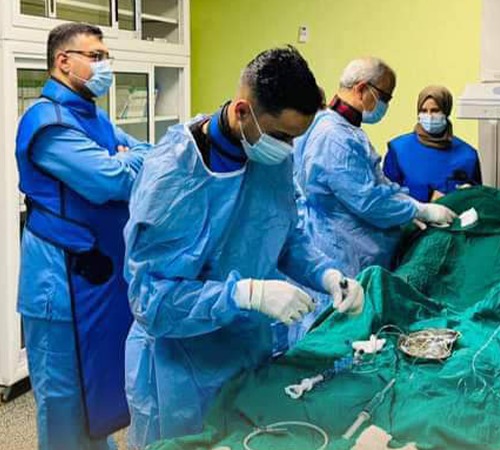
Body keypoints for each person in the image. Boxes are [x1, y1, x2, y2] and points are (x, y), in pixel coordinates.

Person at [123, 47, 364, 449]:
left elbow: (285, 235)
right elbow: (151, 301)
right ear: (241, 111)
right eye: (282, 136)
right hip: (183, 368)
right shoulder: (172, 175)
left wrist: (327, 274)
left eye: (295, 138)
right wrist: (244, 293)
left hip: (248, 347)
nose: (288, 148)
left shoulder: (271, 156)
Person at [15, 23, 151, 450]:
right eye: (96, 56)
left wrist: (126, 158)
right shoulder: (46, 123)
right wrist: (124, 161)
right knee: (63, 405)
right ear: (63, 61)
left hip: (95, 276)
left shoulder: (93, 117)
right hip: (58, 285)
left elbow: (149, 154)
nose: (105, 65)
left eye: (106, 56)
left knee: (96, 396)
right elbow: (110, 181)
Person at [294, 58, 457, 277]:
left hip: (344, 247)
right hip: (345, 256)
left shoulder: (336, 127)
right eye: (385, 97)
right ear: (362, 89)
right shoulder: (335, 138)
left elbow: (375, 181)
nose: (385, 106)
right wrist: (419, 210)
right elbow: (367, 200)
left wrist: (407, 203)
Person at [384, 85, 482, 202]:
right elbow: (386, 193)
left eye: (435, 110)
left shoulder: (468, 155)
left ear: (446, 112)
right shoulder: (399, 149)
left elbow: (479, 198)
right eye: (424, 111)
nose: (429, 116)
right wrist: (427, 194)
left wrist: (469, 193)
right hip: (412, 213)